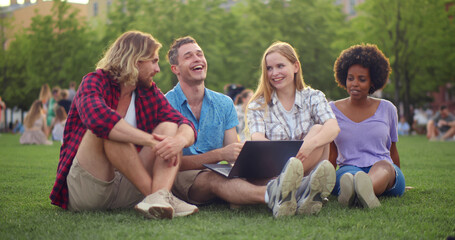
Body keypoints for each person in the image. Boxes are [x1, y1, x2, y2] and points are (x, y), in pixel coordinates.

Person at [49, 30, 198, 220]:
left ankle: (158, 198)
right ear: (136, 62)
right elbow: (98, 120)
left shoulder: (147, 92)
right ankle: (158, 197)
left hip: (128, 188)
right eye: (153, 61)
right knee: (107, 131)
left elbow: (184, 123)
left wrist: (178, 141)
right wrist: (152, 142)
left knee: (169, 127)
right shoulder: (94, 81)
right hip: (89, 189)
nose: (158, 69)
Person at [165, 36, 304, 218]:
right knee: (215, 178)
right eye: (188, 56)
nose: (197, 59)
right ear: (175, 69)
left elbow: (233, 155)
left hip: (218, 172)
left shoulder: (224, 103)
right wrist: (219, 155)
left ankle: (298, 191)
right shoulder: (166, 104)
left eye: (200, 54)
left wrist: (247, 164)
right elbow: (170, 163)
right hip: (184, 178)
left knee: (255, 175)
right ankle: (273, 196)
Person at [246, 41, 339, 215]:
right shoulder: (258, 105)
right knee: (286, 158)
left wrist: (309, 145)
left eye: (280, 66)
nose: (274, 73)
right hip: (273, 169)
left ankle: (296, 190)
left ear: (295, 66)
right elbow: (257, 138)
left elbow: (333, 127)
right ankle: (302, 191)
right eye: (269, 68)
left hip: (310, 163)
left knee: (320, 129)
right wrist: (286, 162)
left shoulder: (313, 96)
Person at [329, 43, 405, 209]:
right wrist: (324, 184)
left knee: (384, 167)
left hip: (383, 168)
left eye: (361, 79)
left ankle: (362, 190)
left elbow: (392, 150)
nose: (354, 83)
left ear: (373, 82)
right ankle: (361, 192)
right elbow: (332, 153)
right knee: (349, 176)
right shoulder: (332, 110)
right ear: (344, 78)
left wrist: (396, 174)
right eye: (350, 78)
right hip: (348, 169)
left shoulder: (388, 108)